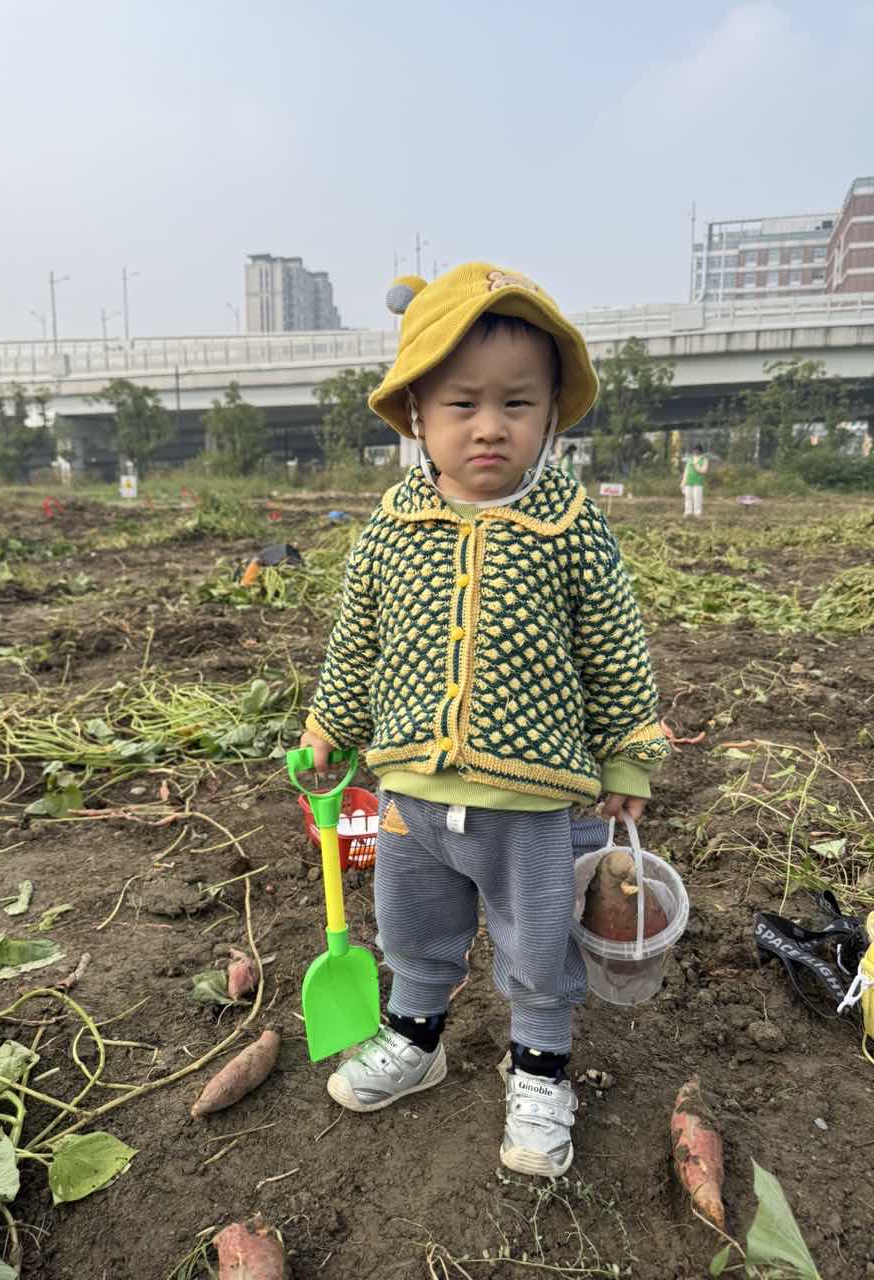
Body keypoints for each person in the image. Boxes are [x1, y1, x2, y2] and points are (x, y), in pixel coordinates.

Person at [300, 263, 669, 1177]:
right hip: (411, 792)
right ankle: (414, 1036)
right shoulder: (392, 527)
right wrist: (329, 724)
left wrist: (627, 756)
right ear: (416, 414)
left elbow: (614, 647)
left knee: (538, 943)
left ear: (550, 415)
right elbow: (359, 639)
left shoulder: (569, 526)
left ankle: (540, 1069)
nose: (490, 425)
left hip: (531, 802)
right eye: (463, 404)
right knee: (411, 926)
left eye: (517, 403)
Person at [681, 442, 708, 517]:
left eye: (697, 450)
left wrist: (696, 464)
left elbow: (704, 471)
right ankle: (688, 512)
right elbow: (686, 471)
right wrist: (683, 481)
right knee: (688, 498)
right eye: (694, 450)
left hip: (698, 482)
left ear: (700, 450)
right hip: (688, 481)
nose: (695, 451)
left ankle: (697, 513)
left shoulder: (704, 459)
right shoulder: (690, 459)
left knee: (697, 498)